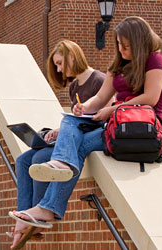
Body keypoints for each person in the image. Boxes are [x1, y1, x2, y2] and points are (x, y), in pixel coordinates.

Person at [11, 15, 162, 247]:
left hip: (138, 127)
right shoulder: (118, 66)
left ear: (139, 42)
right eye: (119, 45)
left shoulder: (155, 61)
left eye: (126, 46)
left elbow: (151, 98)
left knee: (81, 144)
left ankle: (49, 205)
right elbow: (101, 97)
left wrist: (111, 110)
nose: (122, 50)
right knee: (71, 121)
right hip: (114, 123)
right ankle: (59, 171)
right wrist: (85, 107)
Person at [8, 39, 106, 248]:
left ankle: (40, 213)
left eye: (60, 63)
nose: (60, 70)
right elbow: (78, 118)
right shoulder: (74, 87)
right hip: (75, 133)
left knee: (41, 157)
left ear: (72, 56)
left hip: (96, 133)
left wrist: (70, 126)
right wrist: (57, 132)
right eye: (57, 66)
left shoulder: (99, 79)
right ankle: (24, 218)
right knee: (24, 159)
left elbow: (103, 117)